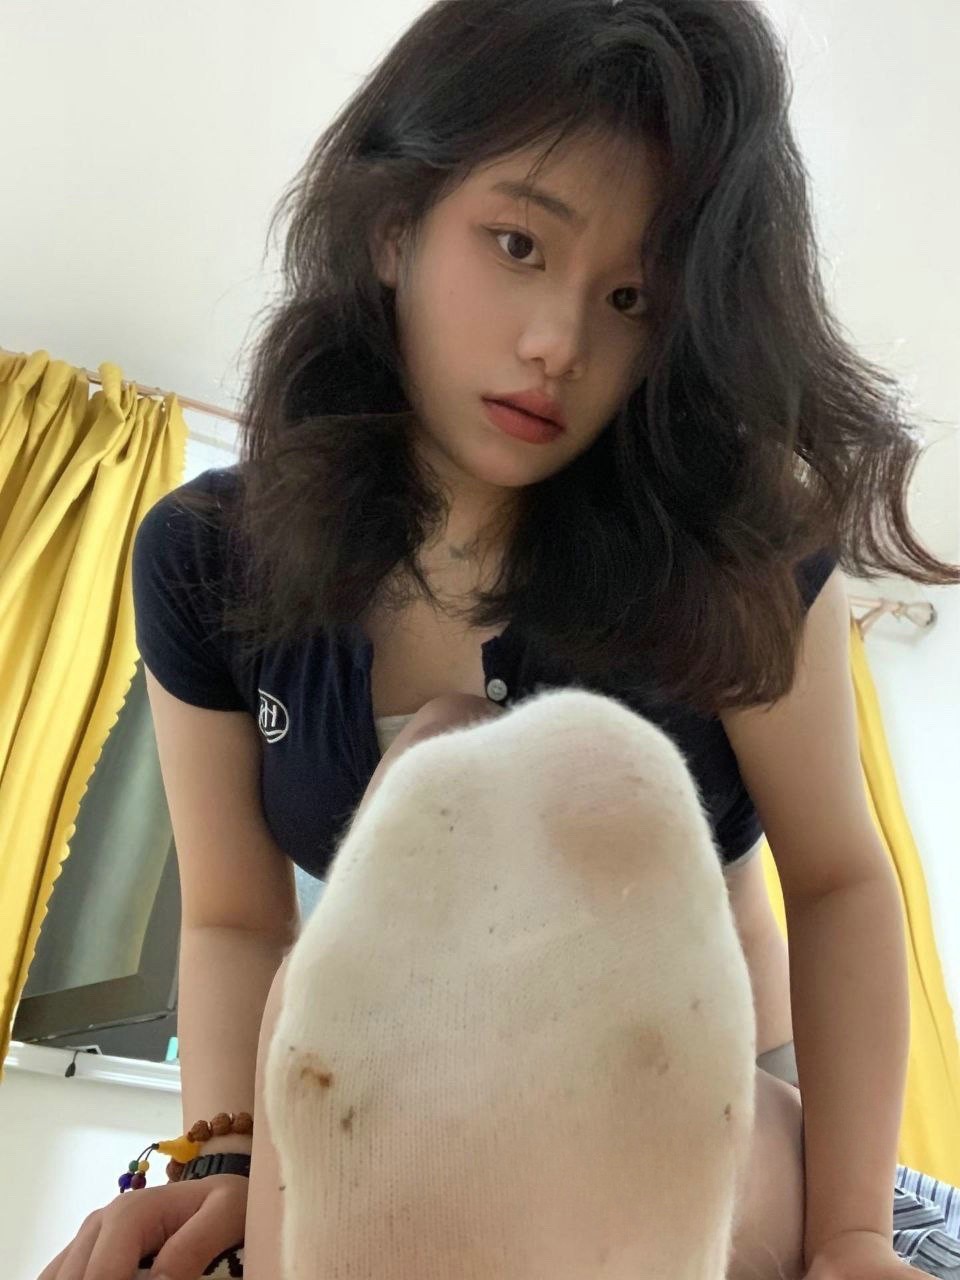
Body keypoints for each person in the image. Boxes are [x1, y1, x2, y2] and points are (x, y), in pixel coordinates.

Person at [38, 1, 960, 1278]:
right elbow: (239, 920)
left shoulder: (738, 547)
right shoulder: (209, 560)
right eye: (518, 242)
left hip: (715, 1086)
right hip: (388, 1101)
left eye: (633, 297)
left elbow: (843, 880)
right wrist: (226, 1165)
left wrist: (852, 1233)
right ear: (393, 223)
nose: (559, 344)